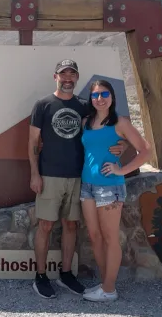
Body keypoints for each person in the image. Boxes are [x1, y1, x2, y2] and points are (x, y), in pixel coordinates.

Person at [28, 60, 127, 299]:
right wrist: (34, 174)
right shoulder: (43, 105)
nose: (68, 78)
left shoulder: (85, 106)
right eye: (63, 74)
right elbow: (32, 143)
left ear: (77, 78)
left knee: (71, 225)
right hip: (49, 174)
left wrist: (121, 145)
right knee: (46, 226)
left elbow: (103, 131)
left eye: (72, 74)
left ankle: (65, 274)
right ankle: (40, 276)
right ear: (56, 77)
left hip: (78, 177)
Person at [79, 79, 151, 302]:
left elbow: (146, 150)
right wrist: (123, 147)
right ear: (91, 99)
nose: (100, 98)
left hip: (109, 187)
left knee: (110, 237)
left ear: (112, 97)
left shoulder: (120, 122)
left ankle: (109, 289)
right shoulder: (87, 122)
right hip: (87, 185)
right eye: (95, 95)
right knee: (95, 236)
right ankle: (104, 284)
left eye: (104, 94)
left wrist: (122, 170)